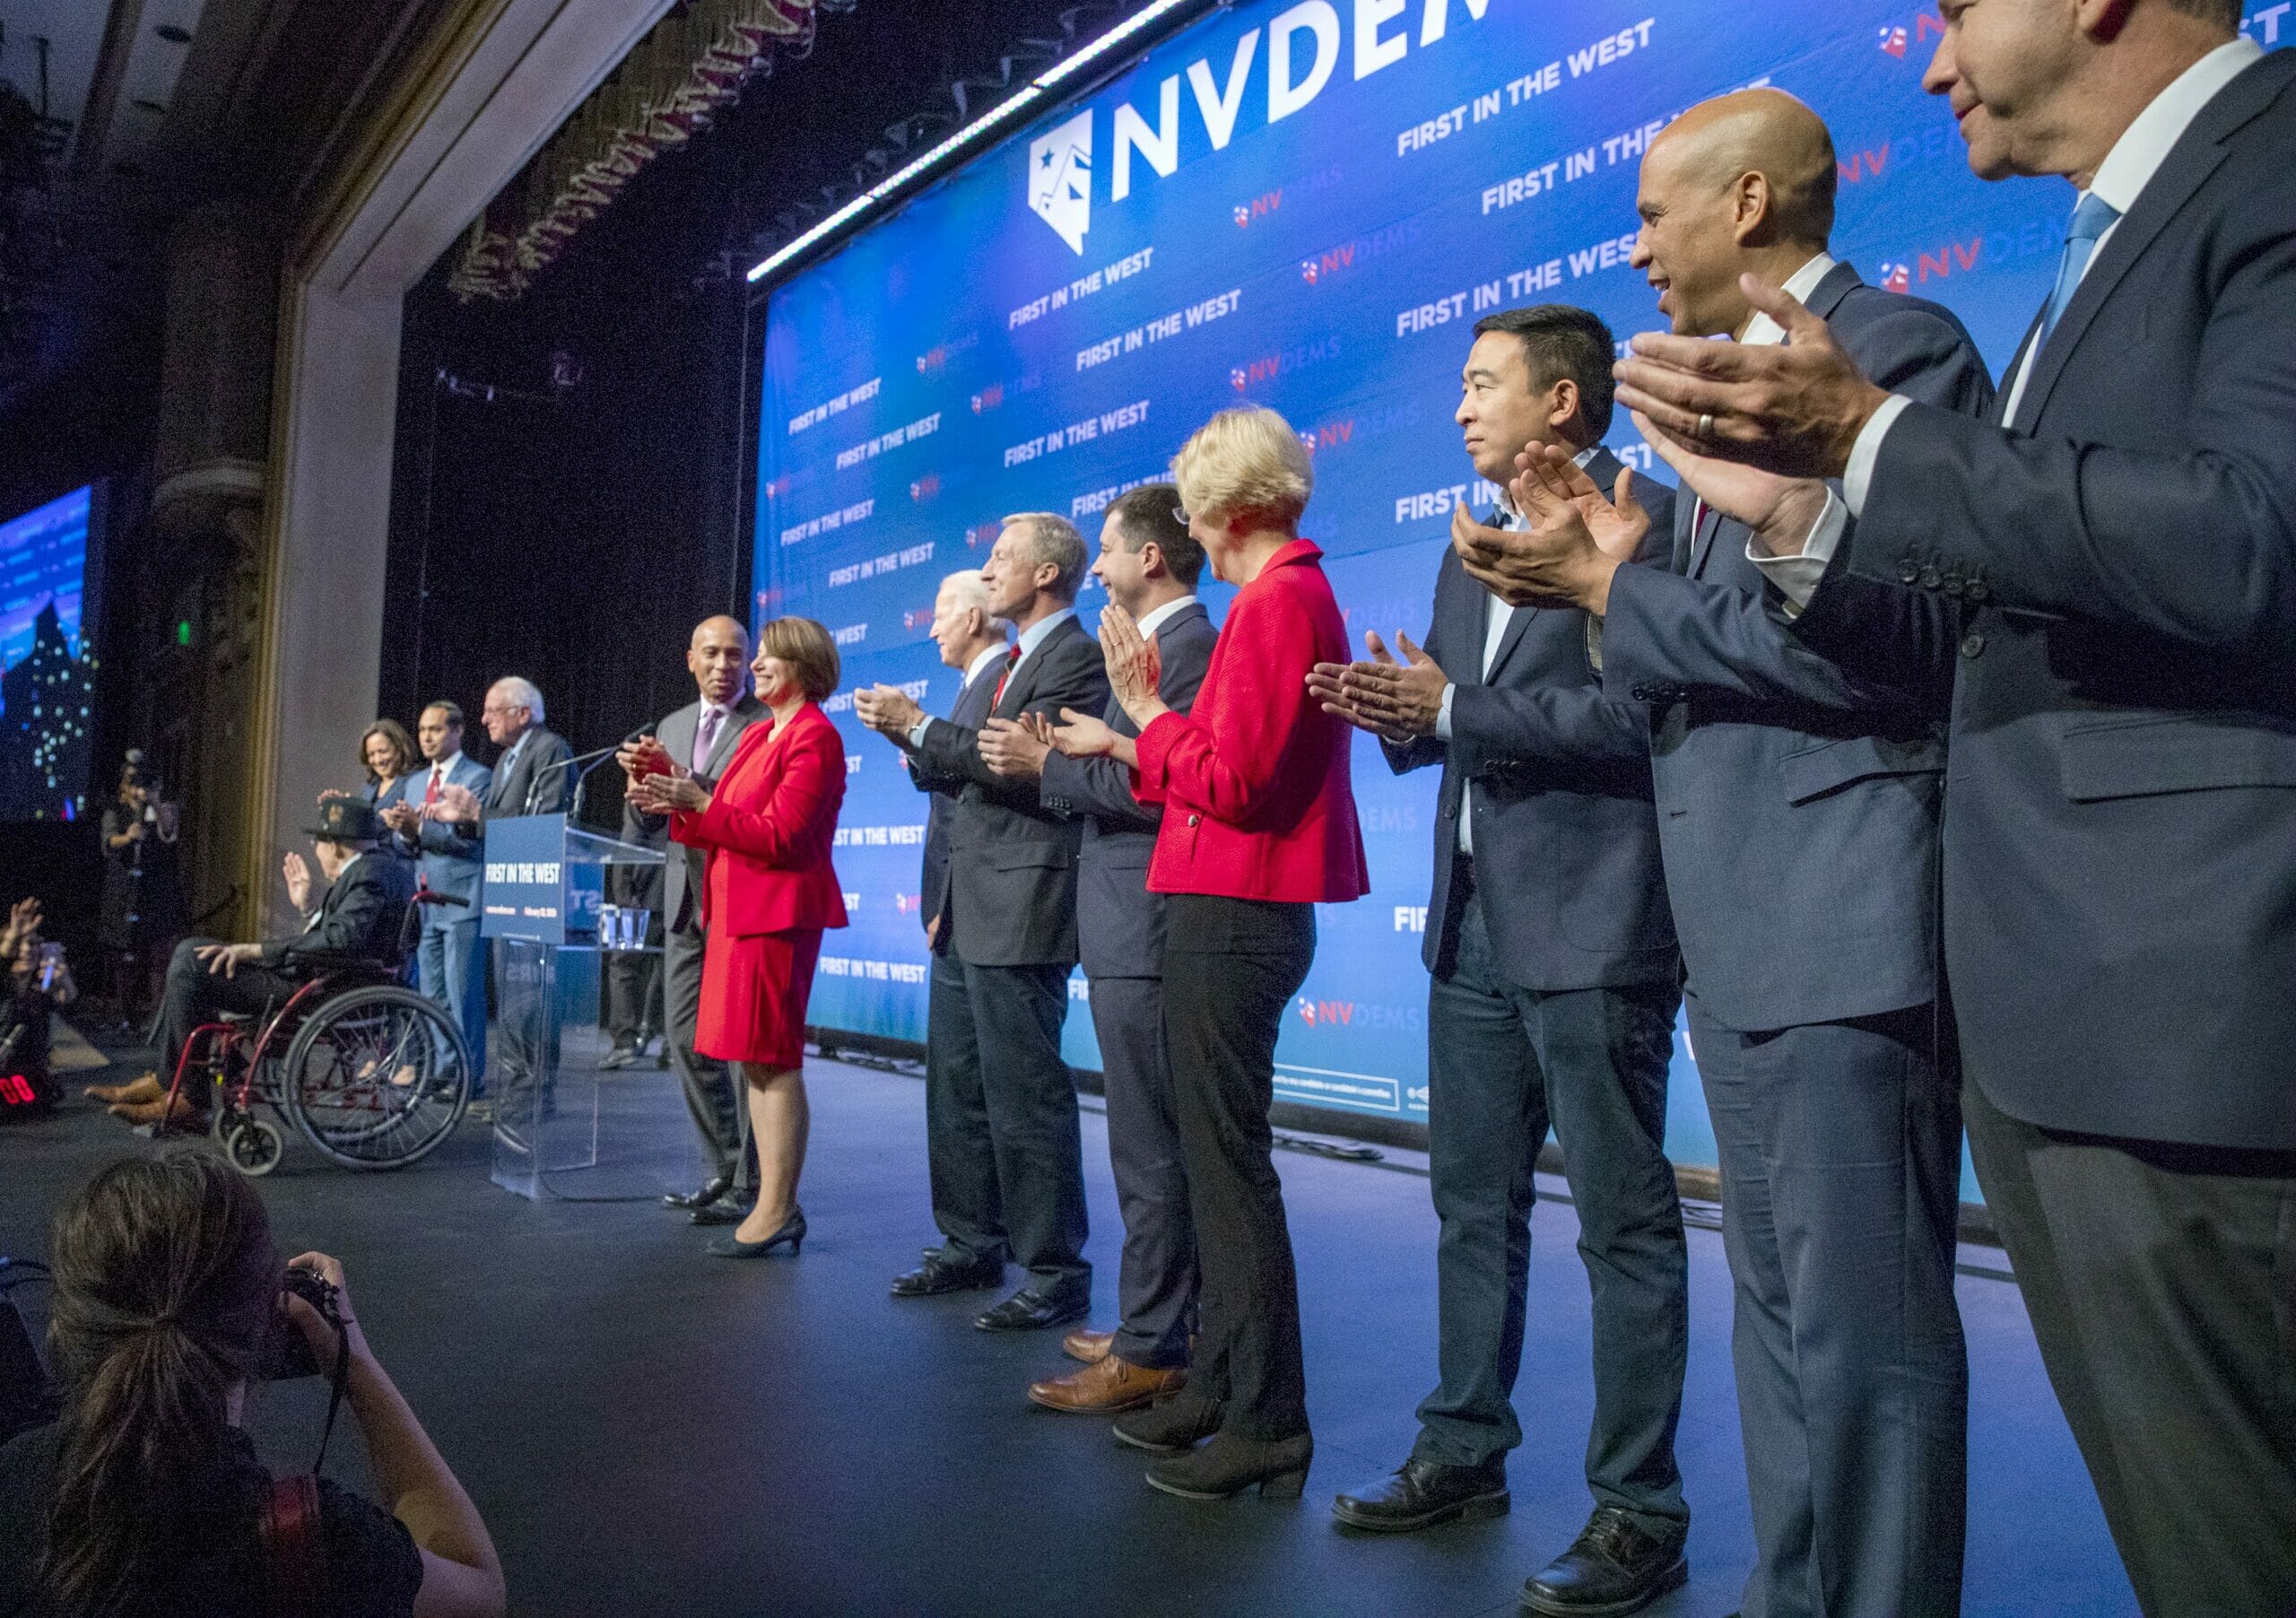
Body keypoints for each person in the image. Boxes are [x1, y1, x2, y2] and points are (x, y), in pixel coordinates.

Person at [1607, 11, 2296, 1614]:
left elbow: (2258, 541)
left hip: (2182, 1008)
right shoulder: (2110, 239)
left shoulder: (2260, 163)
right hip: (2073, 1008)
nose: (1929, 65)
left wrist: (1864, 445)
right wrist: (1799, 523)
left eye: (1960, 10)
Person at [1452, 91, 1996, 1618]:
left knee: (1866, 1336)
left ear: (1745, 203)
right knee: (1780, 1321)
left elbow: (1868, 648)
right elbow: (1684, 670)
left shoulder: (1896, 354)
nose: (1633, 247)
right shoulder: (1699, 407)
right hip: (1744, 916)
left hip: (1846, 912)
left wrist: (1617, 582)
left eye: (1647, 213)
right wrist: (1593, 578)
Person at [1309, 307, 1691, 1616]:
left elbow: (1643, 719)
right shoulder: (1466, 553)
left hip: (1595, 930)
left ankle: (1640, 1510)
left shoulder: (1652, 527)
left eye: (1484, 387)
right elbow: (1463, 721)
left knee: (1625, 1229)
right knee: (1475, 1212)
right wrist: (1401, 719)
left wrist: (1457, 708)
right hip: (1469, 930)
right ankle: (1463, 1449)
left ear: (1567, 403)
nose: (1462, 410)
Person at [1048, 405, 1367, 1501]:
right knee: (1216, 1169)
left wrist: (1141, 713)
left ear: (1231, 512)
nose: (1184, 523)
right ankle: (1223, 1389)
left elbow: (1233, 781)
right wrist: (1140, 737)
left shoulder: (1282, 600)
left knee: (1229, 1180)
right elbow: (1216, 772)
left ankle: (1268, 1419)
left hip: (1237, 912)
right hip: (1216, 903)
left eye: (1192, 503)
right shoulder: (1269, 599)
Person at [0, 1149, 505, 1617]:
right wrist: (357, 1366)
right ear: (270, 1317)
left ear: (65, 1326)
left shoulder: (16, 1476)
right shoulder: (311, 1537)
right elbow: (479, 1592)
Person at [978, 486, 1217, 1415]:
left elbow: (1168, 791)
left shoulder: (1187, 649)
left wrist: (1055, 767)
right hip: (1125, 919)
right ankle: (1154, 1318)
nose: (1100, 571)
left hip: (1152, 924)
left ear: (1149, 558)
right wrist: (1078, 756)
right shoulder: (1151, 650)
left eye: (1109, 552)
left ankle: (1158, 1342)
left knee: (1152, 1148)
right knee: (1144, 1145)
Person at [856, 516, 1109, 1332]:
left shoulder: (1073, 654)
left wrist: (921, 728)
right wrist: (920, 739)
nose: (989, 567)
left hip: (1027, 902)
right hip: (971, 904)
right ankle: (971, 1240)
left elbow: (1011, 763)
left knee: (1025, 1096)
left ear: (1044, 573)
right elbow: (973, 767)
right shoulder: (1011, 665)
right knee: (958, 1089)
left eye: (1003, 557)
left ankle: (1054, 1267)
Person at [622, 617, 848, 1258]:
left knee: (774, 1061)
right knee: (755, 1059)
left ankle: (777, 1206)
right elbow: (718, 821)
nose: (753, 668)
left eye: (766, 657)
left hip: (776, 918)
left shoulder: (814, 737)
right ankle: (767, 1199)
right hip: (736, 914)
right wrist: (672, 795)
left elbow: (781, 835)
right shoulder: (758, 737)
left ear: (803, 665)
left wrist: (695, 803)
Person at [89, 796, 418, 1129]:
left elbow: (340, 941)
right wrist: (307, 908)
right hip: (323, 980)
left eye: (317, 842)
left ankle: (183, 1093)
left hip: (321, 991)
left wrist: (255, 951)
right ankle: (173, 1083)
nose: (315, 850)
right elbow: (341, 936)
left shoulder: (370, 874)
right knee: (191, 953)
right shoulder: (374, 869)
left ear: (334, 846)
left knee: (192, 964)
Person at [636, 616, 770, 1226]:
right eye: (712, 654)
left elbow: (749, 809)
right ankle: (724, 1165)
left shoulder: (766, 725)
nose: (724, 665)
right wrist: (641, 796)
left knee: (743, 1051)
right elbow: (654, 820)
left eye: (735, 655)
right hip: (682, 903)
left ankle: (756, 1185)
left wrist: (691, 786)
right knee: (686, 1035)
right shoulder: (670, 726)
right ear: (690, 659)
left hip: (735, 899)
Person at [431, 678, 574, 1113]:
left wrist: (478, 813)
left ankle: (535, 1095)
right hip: (509, 890)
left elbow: (545, 821)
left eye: (493, 710)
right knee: (511, 1002)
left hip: (534, 892)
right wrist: (464, 819)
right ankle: (514, 1092)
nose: (484, 718)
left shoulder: (550, 750)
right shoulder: (506, 760)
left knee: (531, 1000)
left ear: (522, 714)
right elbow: (495, 823)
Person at [380, 702, 492, 1092]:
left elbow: (470, 840)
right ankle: (444, 1069)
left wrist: (420, 828)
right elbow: (406, 842)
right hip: (426, 900)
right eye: (423, 730)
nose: (426, 737)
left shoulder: (477, 778)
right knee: (432, 995)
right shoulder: (412, 784)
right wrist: (405, 831)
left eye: (435, 730)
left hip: (463, 899)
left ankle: (468, 1077)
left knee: (463, 996)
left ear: (457, 731)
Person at [95, 757, 182, 1027]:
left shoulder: (163, 807)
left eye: (141, 784)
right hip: (123, 891)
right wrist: (128, 837)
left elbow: (169, 832)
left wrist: (154, 803)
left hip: (154, 891)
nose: (136, 790)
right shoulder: (115, 810)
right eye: (132, 784)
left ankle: (158, 1015)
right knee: (123, 953)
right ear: (123, 785)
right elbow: (108, 841)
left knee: (157, 954)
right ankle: (121, 1011)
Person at [1, 899, 74, 1110]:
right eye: (19, 943)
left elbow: (68, 998)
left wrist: (63, 979)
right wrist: (10, 941)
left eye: (32, 943)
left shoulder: (41, 988)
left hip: (29, 1079)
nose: (26, 950)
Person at [356, 719, 419, 812]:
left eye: (383, 751)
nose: (378, 760)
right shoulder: (369, 786)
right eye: (371, 754)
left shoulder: (415, 781)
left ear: (399, 749)